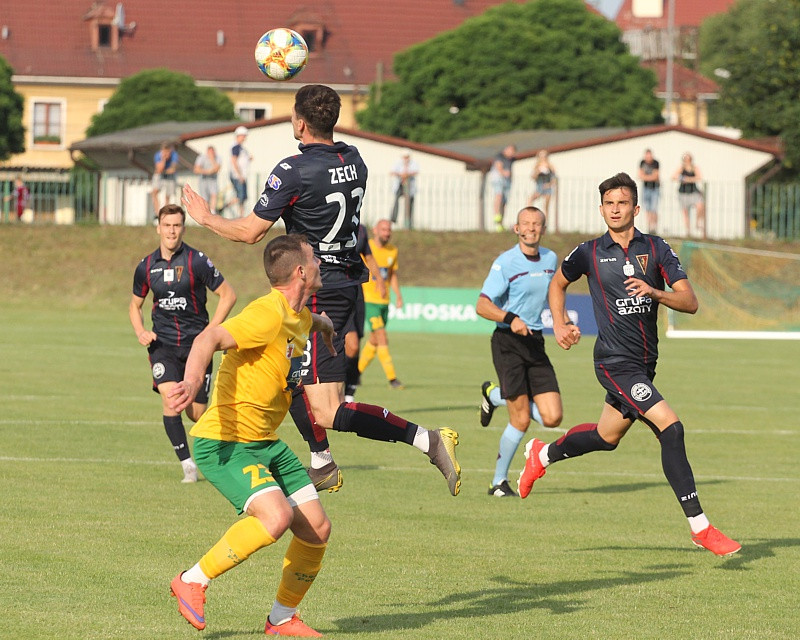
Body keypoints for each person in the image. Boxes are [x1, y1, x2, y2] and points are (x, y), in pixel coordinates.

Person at [180, 84, 461, 497]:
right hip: (345, 285)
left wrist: (205, 218)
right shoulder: (355, 159)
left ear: (299, 122)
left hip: (311, 287)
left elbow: (250, 232)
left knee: (325, 409)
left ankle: (424, 440)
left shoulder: (292, 170)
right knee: (286, 376)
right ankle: (322, 462)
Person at [518, 172, 741, 557]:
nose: (615, 209)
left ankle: (542, 455)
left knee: (606, 439)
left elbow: (689, 302)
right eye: (608, 203)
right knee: (671, 429)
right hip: (614, 363)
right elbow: (558, 284)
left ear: (636, 208)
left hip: (644, 363)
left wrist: (655, 291)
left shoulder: (656, 249)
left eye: (622, 203)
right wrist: (559, 322)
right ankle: (700, 527)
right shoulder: (588, 251)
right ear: (601, 208)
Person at [167, 234, 335, 636]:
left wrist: (327, 330)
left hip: (265, 441)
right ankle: (192, 580)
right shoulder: (267, 314)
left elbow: (313, 321)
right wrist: (192, 384)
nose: (319, 264)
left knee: (317, 528)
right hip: (224, 442)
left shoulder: (298, 314)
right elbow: (208, 338)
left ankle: (280, 620)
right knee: (276, 518)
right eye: (313, 259)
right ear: (300, 272)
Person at [128, 204, 237, 482]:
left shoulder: (197, 261)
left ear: (183, 229)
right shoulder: (146, 266)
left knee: (196, 413)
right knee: (171, 398)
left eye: (176, 226)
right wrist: (141, 331)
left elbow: (228, 296)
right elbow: (134, 305)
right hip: (162, 344)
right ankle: (188, 464)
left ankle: (229, 444)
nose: (171, 231)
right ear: (158, 228)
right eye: (167, 225)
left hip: (197, 348)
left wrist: (210, 333)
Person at [476, 207, 564, 498]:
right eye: (526, 223)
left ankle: (493, 396)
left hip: (535, 342)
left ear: (543, 227)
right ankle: (498, 483)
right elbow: (482, 304)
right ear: (516, 228)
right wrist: (509, 318)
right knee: (521, 419)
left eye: (537, 224)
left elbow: (555, 296)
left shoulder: (551, 259)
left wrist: (565, 324)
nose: (531, 228)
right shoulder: (505, 263)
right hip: (507, 343)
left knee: (553, 418)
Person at [358, 219, 405, 390]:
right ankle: (392, 378)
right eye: (383, 229)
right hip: (369, 300)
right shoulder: (366, 246)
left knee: (374, 340)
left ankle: (356, 373)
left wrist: (398, 295)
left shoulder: (393, 251)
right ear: (375, 230)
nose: (387, 233)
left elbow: (392, 275)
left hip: (384, 301)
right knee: (382, 336)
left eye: (389, 230)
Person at [343, 223, 385, 402]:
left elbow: (369, 255)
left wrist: (380, 280)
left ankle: (349, 391)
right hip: (334, 288)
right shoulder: (330, 220)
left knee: (354, 344)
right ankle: (337, 389)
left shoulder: (360, 229)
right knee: (342, 344)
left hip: (355, 292)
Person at [673, 152, 705, 238]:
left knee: (700, 206)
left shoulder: (695, 168)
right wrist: (682, 179)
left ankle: (697, 223)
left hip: (693, 191)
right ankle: (688, 231)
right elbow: (674, 176)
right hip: (683, 193)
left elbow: (699, 177)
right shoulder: (681, 168)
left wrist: (689, 179)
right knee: (685, 212)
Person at [489, 144, 516, 232]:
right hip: (498, 179)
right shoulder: (499, 156)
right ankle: (497, 216)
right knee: (499, 196)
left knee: (504, 202)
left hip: (507, 181)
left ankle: (500, 224)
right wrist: (504, 173)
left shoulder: (511, 160)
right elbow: (499, 167)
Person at [389, 150, 419, 229]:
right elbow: (392, 172)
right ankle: (393, 218)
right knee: (396, 201)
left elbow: (416, 171)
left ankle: (409, 222)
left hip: (409, 186)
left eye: (407, 157)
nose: (406, 159)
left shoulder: (413, 163)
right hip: (400, 185)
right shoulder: (398, 163)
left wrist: (407, 175)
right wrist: (401, 175)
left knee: (409, 204)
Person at [151, 142, 180, 216]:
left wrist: (164, 170)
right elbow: (159, 169)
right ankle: (157, 213)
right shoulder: (158, 155)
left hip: (170, 177)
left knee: (168, 195)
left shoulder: (174, 155)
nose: (166, 154)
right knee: (154, 192)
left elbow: (173, 169)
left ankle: (166, 213)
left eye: (168, 152)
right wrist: (163, 159)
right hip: (160, 175)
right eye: (164, 152)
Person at [229, 125, 252, 218]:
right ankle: (239, 215)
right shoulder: (236, 147)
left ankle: (241, 215)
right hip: (238, 176)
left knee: (242, 197)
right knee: (240, 197)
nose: (245, 138)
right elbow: (234, 161)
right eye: (244, 135)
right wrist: (239, 175)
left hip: (241, 176)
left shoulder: (240, 148)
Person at [527, 150, 556, 217]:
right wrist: (537, 172)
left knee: (546, 206)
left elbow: (554, 179)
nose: (543, 158)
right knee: (530, 200)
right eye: (541, 156)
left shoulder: (551, 166)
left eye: (544, 156)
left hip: (548, 187)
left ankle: (545, 223)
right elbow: (533, 177)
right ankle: (530, 216)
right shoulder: (536, 166)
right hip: (539, 187)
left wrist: (548, 185)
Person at [637, 149, 660, 233]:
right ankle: (649, 226)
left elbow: (655, 176)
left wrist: (646, 177)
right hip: (646, 188)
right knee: (647, 208)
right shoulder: (642, 162)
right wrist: (650, 177)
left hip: (655, 188)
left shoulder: (656, 163)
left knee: (654, 208)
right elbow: (640, 175)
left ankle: (654, 227)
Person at [193, 145, 220, 211]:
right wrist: (207, 172)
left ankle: (213, 211)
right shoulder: (201, 157)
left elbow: (217, 169)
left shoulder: (218, 158)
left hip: (213, 180)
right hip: (203, 180)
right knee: (204, 198)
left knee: (214, 195)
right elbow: (196, 169)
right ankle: (206, 212)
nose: (211, 154)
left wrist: (212, 159)